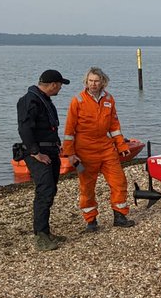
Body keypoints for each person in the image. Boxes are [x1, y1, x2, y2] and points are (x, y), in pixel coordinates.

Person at [61, 67, 136, 231]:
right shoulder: (78, 100)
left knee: (119, 182)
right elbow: (69, 130)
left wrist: (121, 146)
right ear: (86, 82)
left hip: (106, 148)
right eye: (90, 81)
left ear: (102, 82)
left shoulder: (109, 99)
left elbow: (114, 126)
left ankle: (120, 216)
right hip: (85, 150)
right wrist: (70, 154)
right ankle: (91, 221)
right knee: (87, 187)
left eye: (96, 81)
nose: (93, 84)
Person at [17, 69, 70, 251]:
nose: (61, 88)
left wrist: (57, 145)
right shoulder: (29, 100)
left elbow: (47, 127)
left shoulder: (44, 100)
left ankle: (45, 232)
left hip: (50, 150)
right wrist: (35, 152)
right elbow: (25, 129)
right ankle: (40, 236)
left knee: (50, 189)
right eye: (60, 84)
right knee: (45, 191)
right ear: (53, 84)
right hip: (38, 153)